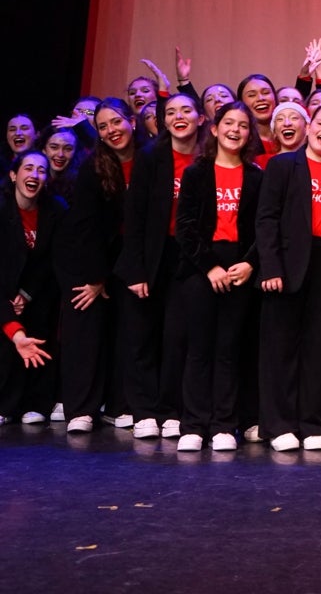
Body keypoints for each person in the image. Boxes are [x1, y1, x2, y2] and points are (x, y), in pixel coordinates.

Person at [255, 103, 321, 452]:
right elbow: (266, 219)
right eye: (320, 123)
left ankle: (313, 424)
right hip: (288, 265)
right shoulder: (283, 165)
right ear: (309, 127)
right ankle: (278, 425)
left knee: (318, 348)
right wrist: (271, 267)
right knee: (280, 348)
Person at [173, 102, 263, 452]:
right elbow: (185, 228)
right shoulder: (197, 173)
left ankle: (225, 424)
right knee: (199, 349)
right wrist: (209, 266)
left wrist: (250, 263)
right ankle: (193, 425)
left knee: (229, 349)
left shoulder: (256, 176)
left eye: (243, 125)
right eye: (228, 123)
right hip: (201, 268)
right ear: (214, 129)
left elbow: (262, 228)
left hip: (240, 267)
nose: (235, 130)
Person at [115, 92, 204, 440]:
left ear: (200, 117)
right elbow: (134, 217)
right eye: (171, 112)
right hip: (152, 256)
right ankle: (144, 410)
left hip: (189, 255)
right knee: (142, 335)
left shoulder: (208, 157)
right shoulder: (151, 157)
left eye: (186, 110)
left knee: (177, 336)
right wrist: (136, 269)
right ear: (163, 121)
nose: (178, 117)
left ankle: (170, 409)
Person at [55, 98, 143, 432]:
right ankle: (81, 409)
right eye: (103, 126)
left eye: (116, 122)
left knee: (128, 329)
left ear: (131, 122)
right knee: (87, 323)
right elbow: (86, 229)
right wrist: (97, 278)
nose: (111, 130)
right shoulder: (93, 168)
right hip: (93, 256)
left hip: (134, 255)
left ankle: (119, 404)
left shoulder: (149, 159)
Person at [0, 151, 66, 424]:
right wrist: (8, 306)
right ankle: (5, 404)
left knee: (43, 316)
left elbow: (52, 261)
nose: (35, 175)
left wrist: (26, 295)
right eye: (28, 168)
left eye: (41, 170)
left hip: (36, 292)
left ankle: (37, 402)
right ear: (14, 175)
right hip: (3, 289)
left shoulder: (55, 210)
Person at [237, 74, 279, 156]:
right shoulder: (240, 142)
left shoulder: (289, 136)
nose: (260, 98)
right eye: (252, 95)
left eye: (266, 92)